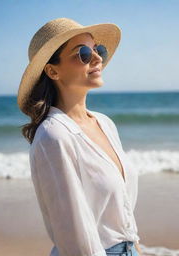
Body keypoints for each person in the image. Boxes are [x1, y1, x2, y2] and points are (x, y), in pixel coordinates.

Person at [17, 17, 143, 256]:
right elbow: (74, 238)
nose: (97, 59)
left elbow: (123, 213)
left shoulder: (104, 123)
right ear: (52, 70)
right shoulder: (53, 136)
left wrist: (136, 249)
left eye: (98, 50)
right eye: (83, 53)